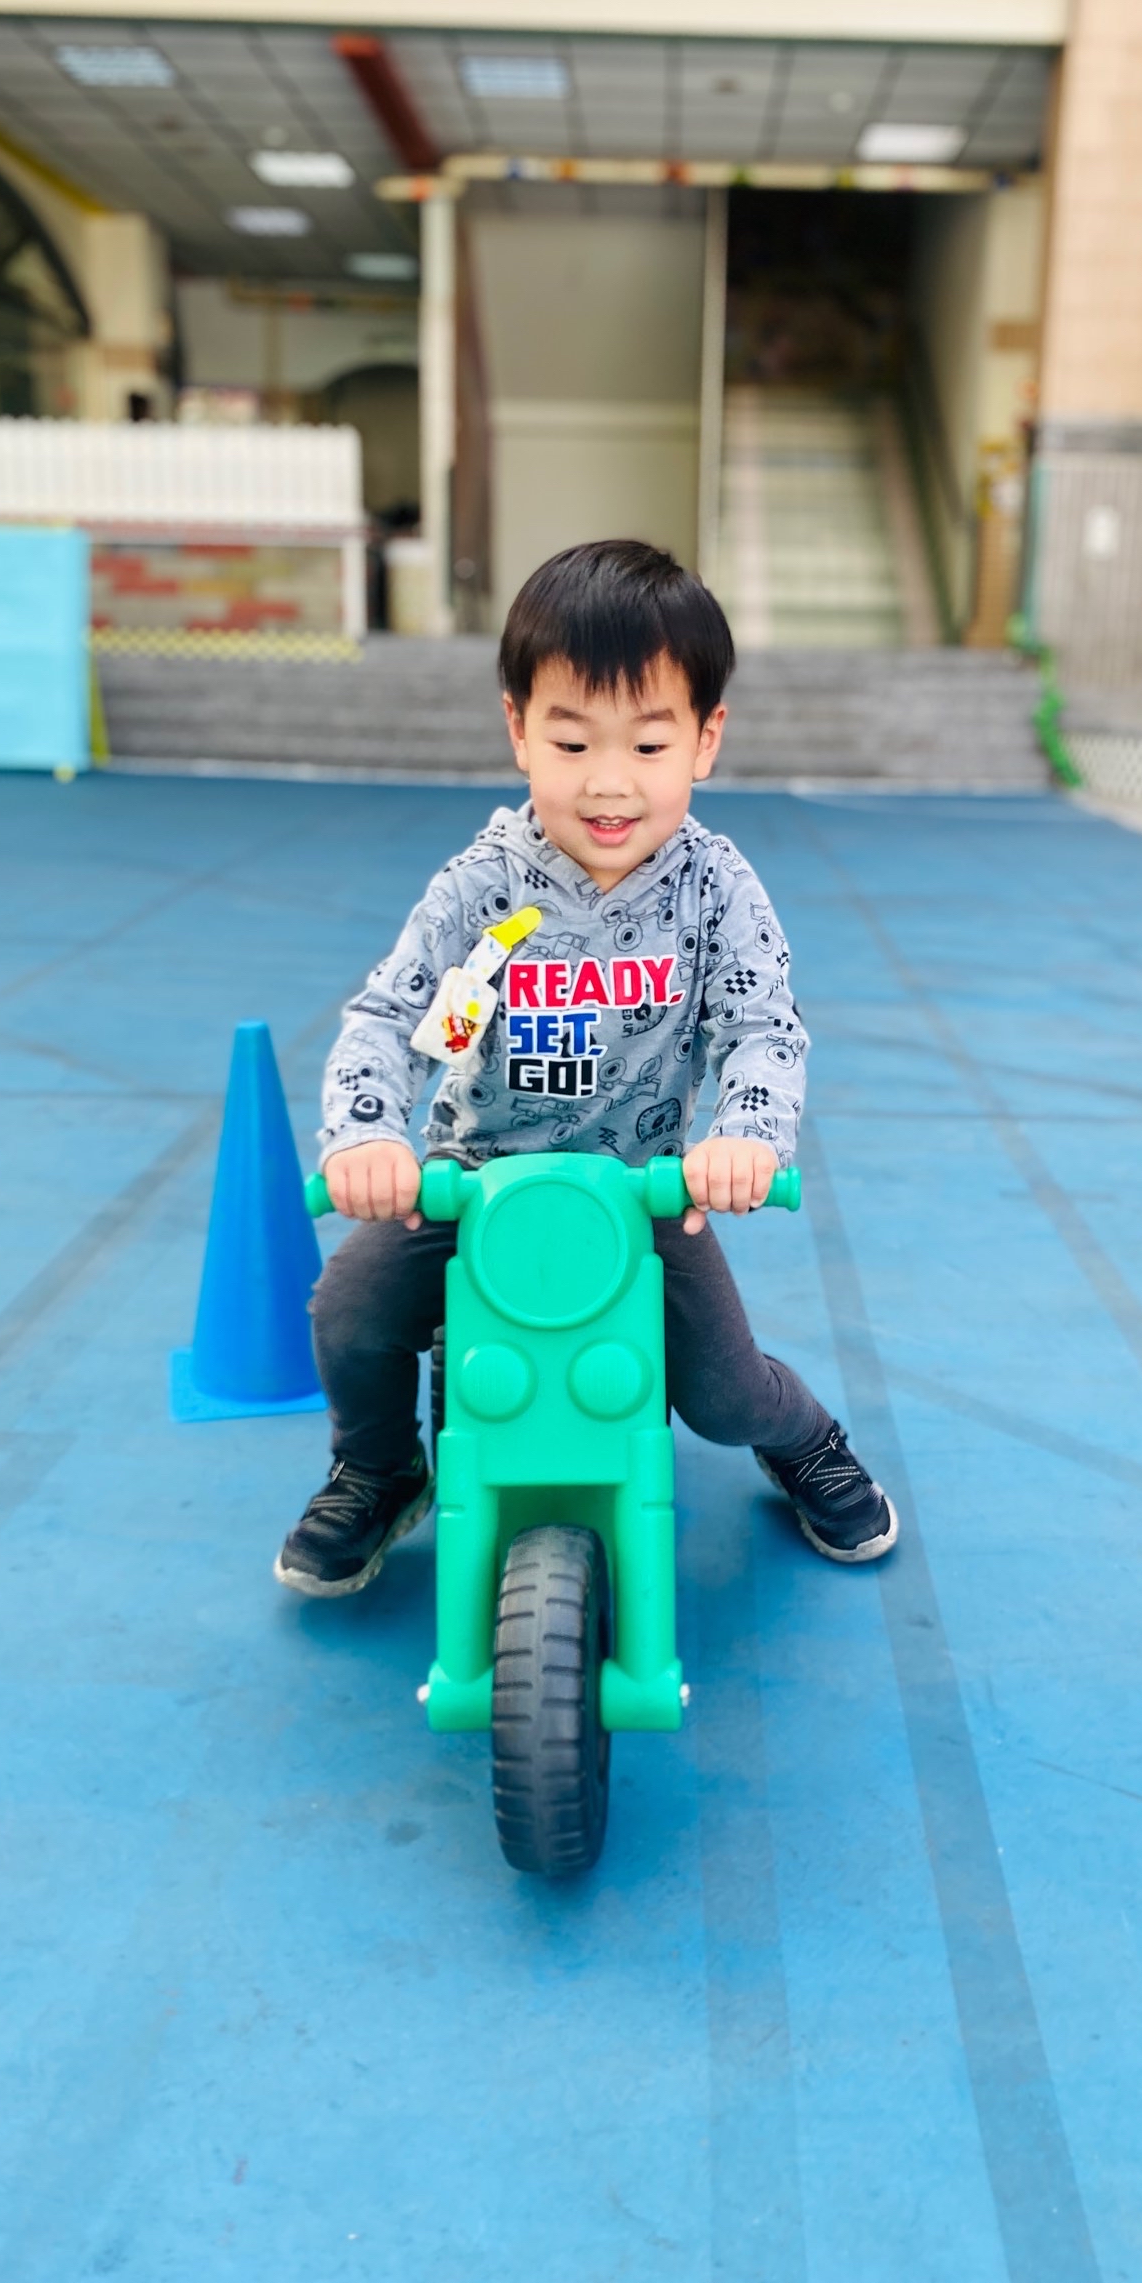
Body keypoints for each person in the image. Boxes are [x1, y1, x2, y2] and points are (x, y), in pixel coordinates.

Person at [275, 537, 897, 1600]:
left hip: (642, 1193)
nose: (609, 782)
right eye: (571, 741)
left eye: (648, 745)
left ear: (704, 741)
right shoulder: (483, 892)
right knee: (348, 1310)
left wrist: (744, 1136)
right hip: (470, 1186)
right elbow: (390, 1016)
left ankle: (801, 1435)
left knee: (722, 1393)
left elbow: (762, 1027)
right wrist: (368, 1136)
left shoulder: (713, 890)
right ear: (519, 730)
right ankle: (378, 1467)